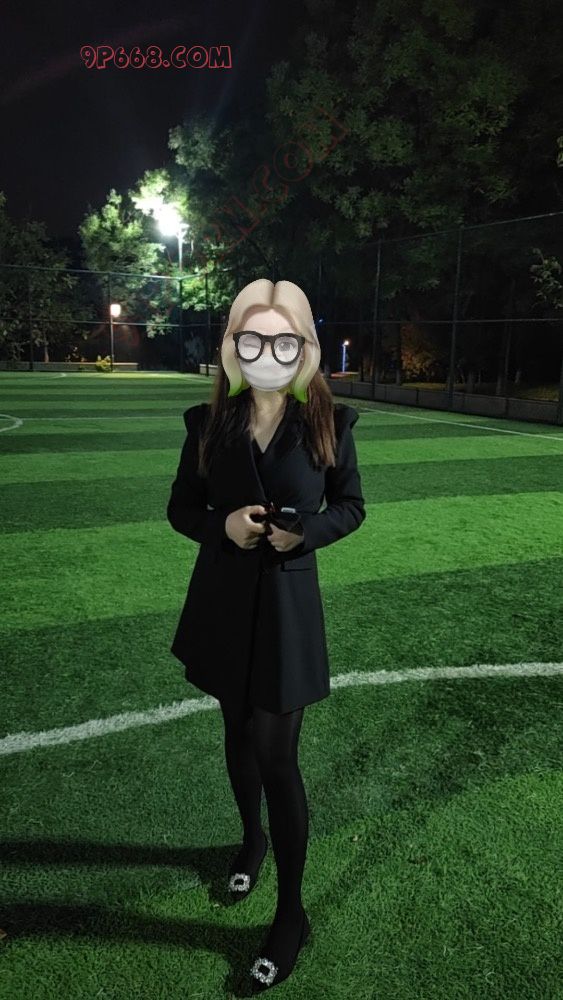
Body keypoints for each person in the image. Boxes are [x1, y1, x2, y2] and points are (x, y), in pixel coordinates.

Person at [166, 278, 366, 992]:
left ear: (304, 348)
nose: (267, 353)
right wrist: (220, 525)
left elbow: (350, 506)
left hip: (286, 607)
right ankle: (251, 841)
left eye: (284, 342)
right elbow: (181, 508)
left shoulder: (329, 423)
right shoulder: (207, 423)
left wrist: (302, 532)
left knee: (277, 755)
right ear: (233, 346)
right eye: (253, 339)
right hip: (221, 600)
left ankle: (291, 915)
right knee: (234, 730)